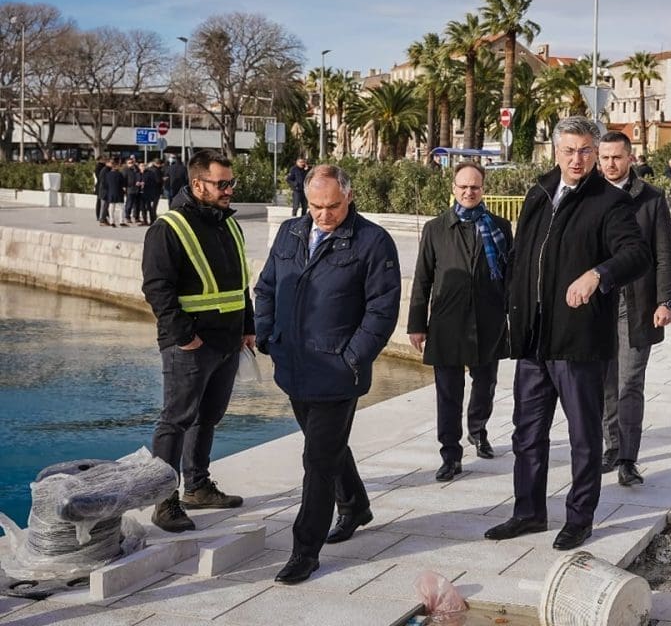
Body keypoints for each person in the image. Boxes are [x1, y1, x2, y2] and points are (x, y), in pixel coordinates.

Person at [484, 116, 648, 552]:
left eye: (585, 151)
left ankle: (580, 517)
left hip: (578, 342)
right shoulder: (538, 193)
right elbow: (522, 258)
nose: (577, 159)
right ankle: (528, 511)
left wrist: (598, 274)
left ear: (596, 154)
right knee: (527, 432)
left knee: (582, 435)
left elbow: (636, 254)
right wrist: (509, 310)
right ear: (555, 151)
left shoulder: (610, 202)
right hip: (533, 339)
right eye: (569, 151)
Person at [254, 164, 401, 585]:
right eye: (316, 206)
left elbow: (381, 310)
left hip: (338, 372)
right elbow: (266, 288)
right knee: (327, 447)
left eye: (332, 206)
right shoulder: (290, 233)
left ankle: (305, 551)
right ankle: (355, 504)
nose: (323, 214)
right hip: (294, 366)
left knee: (316, 460)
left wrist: (351, 358)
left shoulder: (373, 242)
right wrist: (267, 335)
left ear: (349, 197)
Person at [142, 149, 252, 533]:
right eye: (221, 184)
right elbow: (157, 289)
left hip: (227, 342)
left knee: (208, 418)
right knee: (175, 420)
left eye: (230, 182)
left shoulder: (227, 224)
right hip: (190, 346)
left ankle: (198, 487)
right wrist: (184, 337)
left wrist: (247, 327)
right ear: (197, 184)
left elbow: (241, 284)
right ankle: (164, 500)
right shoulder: (169, 227)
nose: (228, 190)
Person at [407, 162, 512, 481]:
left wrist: (518, 317)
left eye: (475, 187)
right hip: (447, 322)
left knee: (486, 384)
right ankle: (450, 454)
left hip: (489, 319)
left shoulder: (499, 227)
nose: (469, 192)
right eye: (463, 186)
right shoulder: (436, 228)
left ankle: (478, 431)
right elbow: (423, 278)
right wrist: (416, 323)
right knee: (448, 392)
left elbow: (511, 275)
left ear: (483, 190)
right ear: (453, 188)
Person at [596, 132, 671, 486]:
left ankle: (627, 458)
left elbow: (663, 254)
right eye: (605, 158)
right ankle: (611, 446)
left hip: (637, 304)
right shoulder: (589, 196)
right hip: (597, 304)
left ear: (630, 158)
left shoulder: (651, 199)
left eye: (617, 157)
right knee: (604, 384)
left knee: (630, 382)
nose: (611, 164)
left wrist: (664, 301)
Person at [101, 157, 126, 227]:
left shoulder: (108, 175)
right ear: (117, 166)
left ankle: (112, 221)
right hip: (119, 193)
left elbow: (105, 184)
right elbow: (123, 184)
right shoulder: (120, 174)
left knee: (111, 208)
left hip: (111, 193)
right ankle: (121, 221)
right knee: (121, 208)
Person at [142, 158, 164, 224]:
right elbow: (158, 181)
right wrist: (163, 180)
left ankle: (145, 220)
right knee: (154, 206)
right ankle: (153, 219)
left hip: (147, 190)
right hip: (156, 190)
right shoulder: (157, 171)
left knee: (147, 206)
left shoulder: (148, 170)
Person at [122, 157, 142, 227]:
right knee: (129, 204)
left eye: (132, 162)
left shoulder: (137, 169)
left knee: (137, 204)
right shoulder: (125, 170)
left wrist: (139, 182)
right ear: (127, 164)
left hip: (137, 189)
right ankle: (127, 217)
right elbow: (124, 180)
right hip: (130, 189)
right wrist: (125, 187)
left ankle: (136, 217)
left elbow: (140, 176)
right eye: (129, 163)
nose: (131, 164)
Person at [94, 157, 108, 222]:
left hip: (100, 186)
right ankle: (99, 215)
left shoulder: (102, 167)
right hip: (100, 187)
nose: (105, 160)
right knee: (100, 201)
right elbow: (99, 177)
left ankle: (103, 214)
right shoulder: (100, 167)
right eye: (104, 159)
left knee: (102, 201)